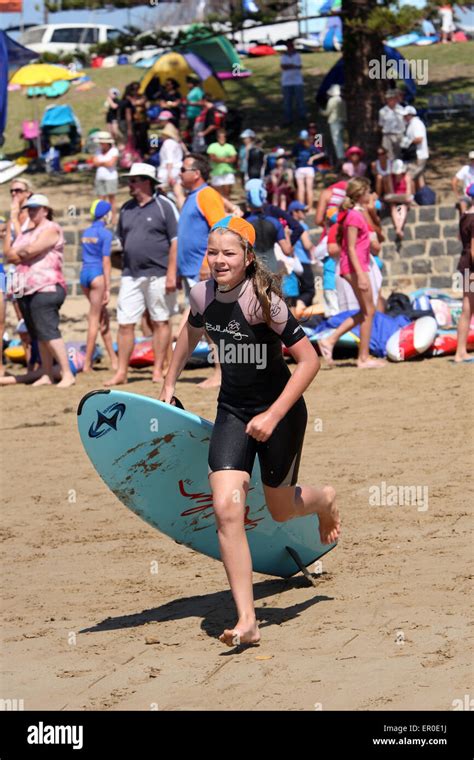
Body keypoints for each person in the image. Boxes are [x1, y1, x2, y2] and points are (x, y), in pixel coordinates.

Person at [160, 215, 340, 647]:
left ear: (246, 257)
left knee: (280, 508)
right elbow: (188, 334)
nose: (218, 261)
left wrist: (274, 415)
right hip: (233, 412)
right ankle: (248, 620)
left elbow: (309, 360)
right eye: (212, 252)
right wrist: (169, 383)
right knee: (226, 509)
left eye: (228, 253)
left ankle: (325, 499)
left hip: (280, 412)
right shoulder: (202, 294)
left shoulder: (265, 301)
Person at [105, 163, 178, 386]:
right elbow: (119, 243)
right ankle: (121, 371)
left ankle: (158, 369)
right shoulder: (126, 209)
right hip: (131, 274)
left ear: (147, 181)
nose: (130, 184)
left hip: (159, 273)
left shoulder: (165, 206)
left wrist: (172, 273)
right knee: (125, 323)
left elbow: (175, 242)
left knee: (160, 321)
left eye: (134, 179)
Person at [6, 194, 75, 387]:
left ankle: (67, 373)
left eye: (35, 208)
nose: (32, 211)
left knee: (48, 330)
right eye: (29, 208)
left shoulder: (51, 228)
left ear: (45, 210)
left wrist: (23, 252)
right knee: (39, 334)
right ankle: (47, 373)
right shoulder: (27, 231)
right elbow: (10, 255)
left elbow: (29, 251)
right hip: (25, 288)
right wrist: (23, 251)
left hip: (46, 286)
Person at [317, 178, 386, 369]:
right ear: (361, 193)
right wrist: (362, 274)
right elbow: (352, 248)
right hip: (355, 267)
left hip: (356, 267)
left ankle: (331, 340)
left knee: (367, 311)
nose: (371, 194)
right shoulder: (354, 216)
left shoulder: (356, 214)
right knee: (368, 311)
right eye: (368, 191)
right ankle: (362, 357)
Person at [175, 153, 226, 388]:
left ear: (196, 173)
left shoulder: (206, 194)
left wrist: (209, 262)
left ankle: (221, 373)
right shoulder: (192, 196)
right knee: (206, 324)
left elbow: (220, 228)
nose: (179, 173)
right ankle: (220, 371)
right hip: (191, 270)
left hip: (201, 270)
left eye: (183, 169)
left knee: (213, 323)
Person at [79, 200, 118, 372]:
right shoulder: (105, 234)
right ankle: (87, 363)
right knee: (94, 319)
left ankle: (114, 360)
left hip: (84, 275)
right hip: (97, 276)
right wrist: (108, 288)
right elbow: (106, 261)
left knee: (103, 318)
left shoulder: (87, 232)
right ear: (106, 214)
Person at [245, 180, 293, 273]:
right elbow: (287, 251)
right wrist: (287, 235)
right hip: (271, 267)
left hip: (253, 268)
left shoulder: (245, 224)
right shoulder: (275, 222)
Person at [453, 183, 474, 363]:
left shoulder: (464, 216)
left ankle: (460, 351)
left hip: (464, 263)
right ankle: (461, 352)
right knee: (467, 309)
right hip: (472, 265)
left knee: (466, 309)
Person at [288, 200, 316, 307]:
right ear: (295, 212)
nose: (305, 213)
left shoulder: (288, 225)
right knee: (309, 290)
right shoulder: (301, 226)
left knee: (298, 289)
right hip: (303, 261)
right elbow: (307, 244)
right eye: (302, 211)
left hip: (292, 263)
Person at [292, 130, 325, 211]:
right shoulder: (311, 146)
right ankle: (309, 208)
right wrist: (312, 158)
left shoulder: (297, 146)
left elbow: (293, 155)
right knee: (309, 189)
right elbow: (321, 153)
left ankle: (301, 207)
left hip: (300, 168)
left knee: (301, 189)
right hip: (309, 169)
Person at [92, 131, 119, 226]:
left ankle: (114, 218)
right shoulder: (98, 150)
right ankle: (103, 218)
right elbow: (94, 162)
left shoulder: (114, 150)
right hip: (99, 177)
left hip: (111, 177)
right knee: (101, 199)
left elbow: (111, 163)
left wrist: (101, 163)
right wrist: (104, 163)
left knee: (112, 199)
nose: (101, 144)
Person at [383, 159, 414, 241]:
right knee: (394, 207)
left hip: (404, 198)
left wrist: (403, 198)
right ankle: (398, 228)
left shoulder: (407, 176)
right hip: (395, 198)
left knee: (402, 207)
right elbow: (391, 191)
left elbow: (408, 192)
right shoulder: (390, 177)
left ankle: (399, 228)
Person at [401, 106, 429, 190]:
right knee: (419, 177)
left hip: (419, 155)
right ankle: (422, 196)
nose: (404, 117)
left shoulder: (416, 123)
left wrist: (407, 142)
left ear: (410, 115)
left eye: (405, 116)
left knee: (410, 177)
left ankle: (412, 197)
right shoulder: (411, 124)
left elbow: (419, 138)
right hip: (415, 155)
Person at [280, 39, 306, 126]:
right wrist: (292, 65)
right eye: (289, 45)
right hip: (286, 82)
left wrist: (290, 65)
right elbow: (283, 67)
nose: (290, 47)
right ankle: (288, 119)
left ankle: (302, 117)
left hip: (297, 81)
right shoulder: (283, 56)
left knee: (300, 101)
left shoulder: (297, 55)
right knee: (287, 102)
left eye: (291, 45)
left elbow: (299, 66)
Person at [207, 128, 237, 199]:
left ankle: (227, 208)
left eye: (224, 137)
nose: (222, 139)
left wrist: (220, 159)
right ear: (217, 138)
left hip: (228, 171)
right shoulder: (212, 146)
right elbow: (213, 158)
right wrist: (226, 159)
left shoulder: (230, 147)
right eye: (220, 137)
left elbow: (233, 158)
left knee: (227, 192)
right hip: (216, 172)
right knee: (218, 193)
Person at [320, 84, 346, 161]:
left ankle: (340, 157)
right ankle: (341, 155)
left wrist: (321, 111)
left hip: (334, 122)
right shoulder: (342, 100)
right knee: (340, 139)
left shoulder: (332, 100)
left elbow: (327, 112)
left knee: (336, 140)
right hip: (342, 121)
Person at [157, 122, 185, 190]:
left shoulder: (168, 143)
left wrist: (169, 174)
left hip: (168, 170)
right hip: (177, 169)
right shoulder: (176, 143)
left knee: (164, 191)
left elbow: (170, 159)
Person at [378, 89, 405, 160]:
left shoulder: (401, 109)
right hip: (387, 135)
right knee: (388, 155)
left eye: (393, 99)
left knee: (399, 155)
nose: (391, 101)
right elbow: (381, 124)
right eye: (389, 99)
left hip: (399, 135)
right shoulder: (382, 111)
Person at [452, 151, 474, 215]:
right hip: (467, 196)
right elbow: (454, 181)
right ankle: (464, 221)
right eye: (472, 159)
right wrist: (457, 195)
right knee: (463, 203)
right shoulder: (465, 169)